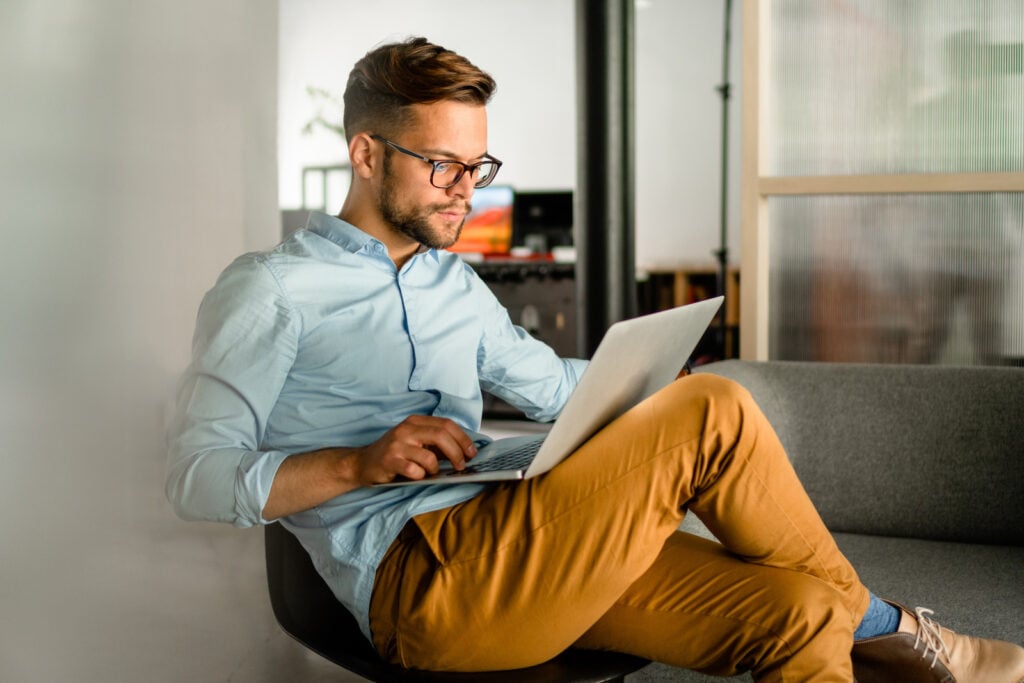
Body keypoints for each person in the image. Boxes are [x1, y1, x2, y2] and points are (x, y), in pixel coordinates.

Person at [165, 37, 1024, 682]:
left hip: (527, 542)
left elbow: (552, 389)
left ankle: (870, 629)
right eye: (443, 167)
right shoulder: (271, 289)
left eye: (479, 165)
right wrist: (359, 461)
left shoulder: (453, 287)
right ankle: (903, 631)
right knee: (716, 412)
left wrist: (650, 384)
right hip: (423, 580)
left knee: (797, 613)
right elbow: (196, 476)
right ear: (365, 154)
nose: (469, 189)